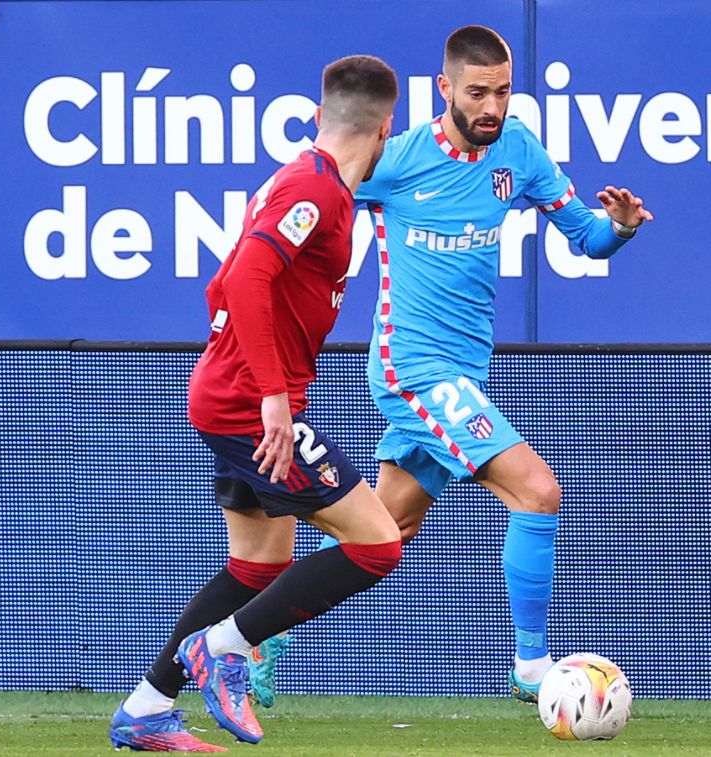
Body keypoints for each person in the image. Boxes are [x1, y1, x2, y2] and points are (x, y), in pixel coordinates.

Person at [249, 25, 654, 708]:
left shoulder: (519, 152)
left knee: (381, 531)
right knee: (538, 490)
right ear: (443, 90)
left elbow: (586, 239)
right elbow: (310, 197)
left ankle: (259, 630)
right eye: (477, 92)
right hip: (411, 367)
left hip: (463, 373)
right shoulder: (394, 161)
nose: (492, 105)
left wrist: (617, 227)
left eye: (502, 90)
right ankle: (532, 667)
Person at [108, 54, 401, 753]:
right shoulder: (319, 190)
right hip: (249, 400)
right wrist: (273, 394)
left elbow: (229, 283)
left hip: (229, 387)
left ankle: (146, 708)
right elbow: (244, 276)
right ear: (387, 128)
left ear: (316, 116)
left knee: (259, 564)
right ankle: (227, 646)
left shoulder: (303, 178)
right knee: (377, 543)